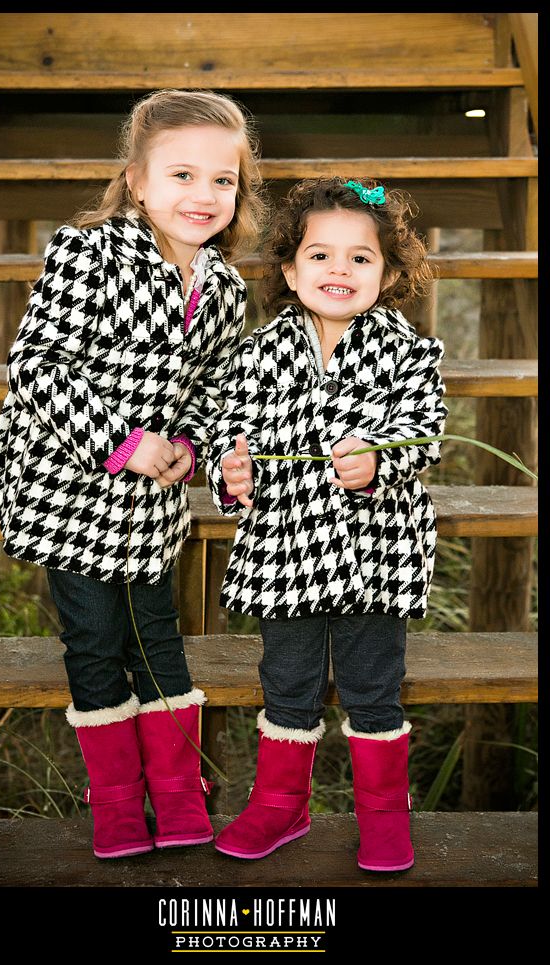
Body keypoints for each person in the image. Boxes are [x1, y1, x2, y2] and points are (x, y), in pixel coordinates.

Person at [0, 89, 266, 860]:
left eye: (222, 181)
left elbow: (213, 388)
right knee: (97, 642)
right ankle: (114, 802)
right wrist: (123, 443)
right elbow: (39, 365)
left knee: (157, 639)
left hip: (150, 500)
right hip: (70, 486)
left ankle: (175, 793)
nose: (203, 196)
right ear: (136, 181)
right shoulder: (89, 252)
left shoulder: (225, 287)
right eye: (181, 175)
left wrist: (191, 445)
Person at [206, 176, 448, 872]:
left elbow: (422, 433)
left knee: (373, 685)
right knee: (288, 681)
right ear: (289, 268)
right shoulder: (254, 354)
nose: (338, 269)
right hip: (285, 552)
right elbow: (232, 432)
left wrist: (380, 460)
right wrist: (234, 468)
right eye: (320, 255)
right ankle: (281, 804)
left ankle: (382, 815)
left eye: (360, 257)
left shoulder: (410, 354)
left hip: (376, 554)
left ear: (391, 273)